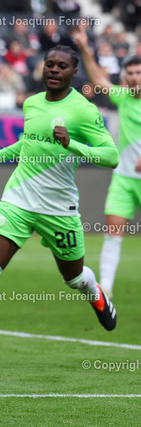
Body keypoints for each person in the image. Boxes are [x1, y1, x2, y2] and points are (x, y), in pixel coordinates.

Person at [0, 45, 119, 363]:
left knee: (73, 278)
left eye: (62, 66)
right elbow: (28, 142)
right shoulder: (32, 102)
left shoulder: (84, 111)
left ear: (74, 72)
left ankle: (94, 290)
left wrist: (71, 143)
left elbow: (111, 156)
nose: (54, 69)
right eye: (50, 64)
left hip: (59, 209)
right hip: (18, 200)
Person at [73, 28, 141, 298]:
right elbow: (99, 81)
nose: (134, 77)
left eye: (138, 72)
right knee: (113, 234)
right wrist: (85, 49)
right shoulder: (124, 98)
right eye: (130, 73)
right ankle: (106, 290)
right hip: (124, 178)